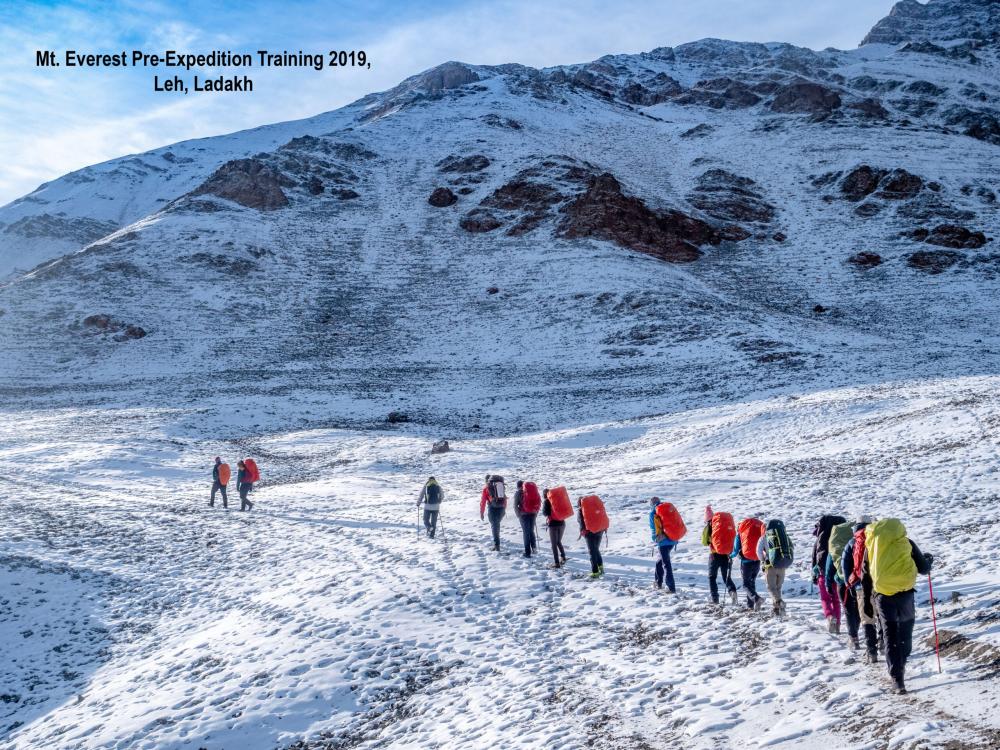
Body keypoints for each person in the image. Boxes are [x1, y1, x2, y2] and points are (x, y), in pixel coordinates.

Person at [866, 518, 933, 694]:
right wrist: (928, 560)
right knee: (905, 630)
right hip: (906, 594)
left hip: (883, 595)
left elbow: (866, 573)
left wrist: (867, 599)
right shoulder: (907, 543)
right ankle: (902, 662)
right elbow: (924, 568)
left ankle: (897, 680)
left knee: (889, 635)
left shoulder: (872, 546)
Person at [843, 518, 878, 658]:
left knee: (867, 619)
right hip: (879, 584)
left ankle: (871, 651)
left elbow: (845, 566)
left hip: (860, 585)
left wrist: (849, 584)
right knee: (881, 616)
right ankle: (884, 643)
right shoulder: (876, 539)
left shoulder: (852, 543)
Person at [812, 514, 847, 633]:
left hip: (823, 573)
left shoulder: (821, 538)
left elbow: (814, 558)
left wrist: (814, 576)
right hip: (839, 573)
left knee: (825, 599)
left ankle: (830, 617)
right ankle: (837, 624)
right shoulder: (842, 538)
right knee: (836, 600)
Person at [702, 506, 738, 606]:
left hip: (714, 555)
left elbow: (704, 542)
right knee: (726, 577)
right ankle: (732, 593)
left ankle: (715, 599)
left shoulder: (709, 527)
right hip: (726, 555)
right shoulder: (720, 525)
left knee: (711, 577)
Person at [758, 519, 794, 616]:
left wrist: (763, 560)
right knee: (778, 588)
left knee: (771, 588)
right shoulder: (784, 537)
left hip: (770, 566)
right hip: (782, 566)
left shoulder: (764, 537)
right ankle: (777, 609)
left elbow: (758, 551)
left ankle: (779, 602)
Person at [733, 515, 766, 610]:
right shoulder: (759, 529)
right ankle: (750, 605)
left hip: (746, 561)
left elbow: (736, 548)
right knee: (752, 582)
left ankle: (756, 599)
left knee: (746, 584)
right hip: (756, 560)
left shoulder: (741, 532)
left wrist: (731, 556)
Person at [648, 497, 677, 593]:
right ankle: (658, 582)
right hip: (673, 539)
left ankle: (671, 587)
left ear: (652, 504)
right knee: (659, 561)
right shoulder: (667, 509)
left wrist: (655, 539)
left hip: (663, 541)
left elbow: (653, 529)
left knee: (666, 564)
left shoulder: (653, 513)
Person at [577, 495, 607, 578]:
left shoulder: (581, 511)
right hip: (600, 530)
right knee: (596, 549)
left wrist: (583, 532)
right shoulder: (593, 508)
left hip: (589, 533)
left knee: (592, 552)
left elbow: (581, 523)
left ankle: (595, 571)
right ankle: (601, 568)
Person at [541, 488, 567, 568]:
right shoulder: (558, 499)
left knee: (553, 544)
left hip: (553, 524)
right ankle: (563, 556)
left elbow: (545, 513)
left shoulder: (546, 501)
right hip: (562, 522)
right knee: (558, 541)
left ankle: (557, 563)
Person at [480, 474, 507, 551]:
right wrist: (504, 508)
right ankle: (497, 541)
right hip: (501, 507)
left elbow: (483, 501)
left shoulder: (486, 488)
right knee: (496, 525)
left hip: (492, 508)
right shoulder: (499, 486)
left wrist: (482, 513)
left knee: (494, 526)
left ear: (486, 481)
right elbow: (504, 498)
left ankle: (497, 545)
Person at [515, 480, 541, 558]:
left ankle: (527, 552)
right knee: (531, 531)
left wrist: (518, 515)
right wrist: (535, 512)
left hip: (524, 515)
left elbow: (515, 505)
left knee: (526, 533)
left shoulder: (518, 493)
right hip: (533, 513)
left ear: (517, 486)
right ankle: (534, 548)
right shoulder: (532, 491)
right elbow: (538, 501)